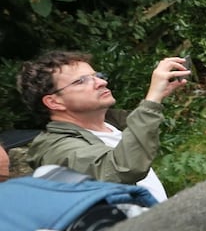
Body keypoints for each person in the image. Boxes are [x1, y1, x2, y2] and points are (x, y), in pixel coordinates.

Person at [17, 51, 192, 202]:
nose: (101, 82)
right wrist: (152, 100)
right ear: (54, 102)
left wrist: (156, 100)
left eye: (96, 76)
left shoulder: (113, 124)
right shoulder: (56, 149)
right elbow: (122, 168)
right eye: (81, 81)